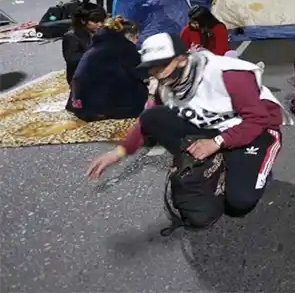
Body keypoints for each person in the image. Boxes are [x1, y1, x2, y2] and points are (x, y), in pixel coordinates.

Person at [86, 33, 284, 219]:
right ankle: (210, 162)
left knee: (239, 204)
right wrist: (118, 152)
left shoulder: (228, 74)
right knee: (154, 116)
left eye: (161, 65)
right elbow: (146, 122)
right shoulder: (166, 84)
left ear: (182, 59)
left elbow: (259, 119)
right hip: (214, 128)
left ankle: (254, 166)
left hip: (257, 131)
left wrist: (217, 142)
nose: (156, 73)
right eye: (151, 68)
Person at [67, 16, 147, 122]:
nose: (137, 41)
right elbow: (141, 71)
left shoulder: (100, 43)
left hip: (79, 105)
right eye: (136, 38)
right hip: (99, 109)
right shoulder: (123, 46)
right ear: (130, 36)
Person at [62, 7, 106, 84]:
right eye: (95, 21)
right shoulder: (72, 36)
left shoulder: (100, 32)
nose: (100, 24)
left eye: (101, 21)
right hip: (82, 79)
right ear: (83, 21)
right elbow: (72, 60)